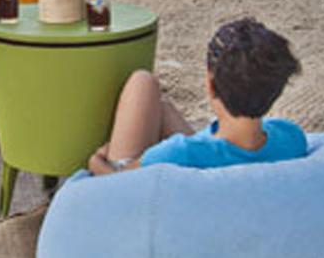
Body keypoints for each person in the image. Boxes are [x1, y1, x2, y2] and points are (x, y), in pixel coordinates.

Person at [88, 18, 305, 176]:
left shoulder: (176, 154)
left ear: (210, 85)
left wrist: (95, 163)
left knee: (142, 81)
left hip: (197, 166)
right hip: (215, 160)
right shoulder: (292, 138)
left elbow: (117, 183)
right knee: (163, 109)